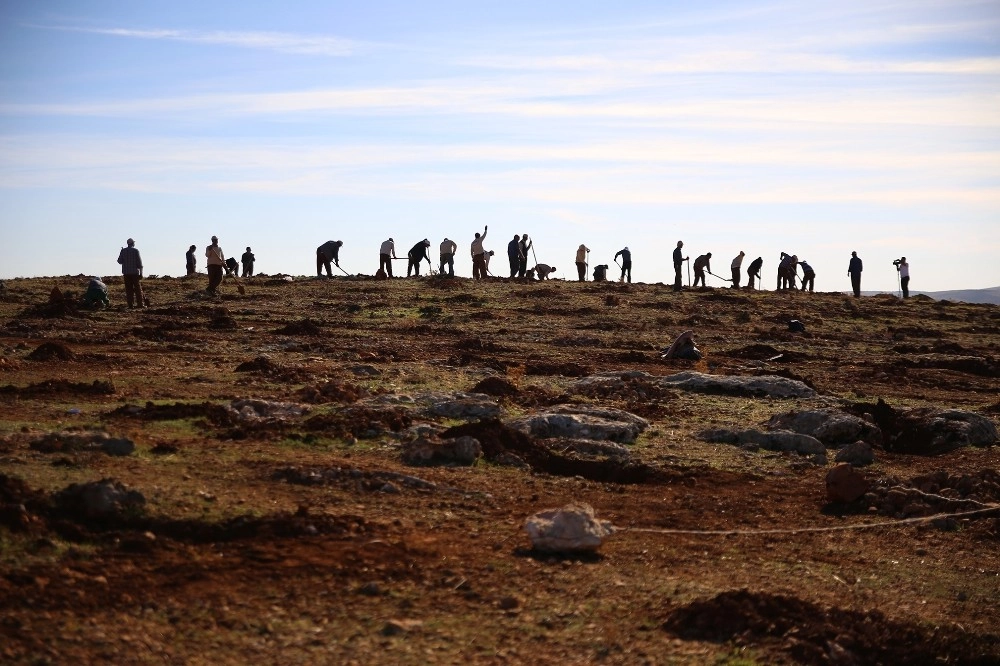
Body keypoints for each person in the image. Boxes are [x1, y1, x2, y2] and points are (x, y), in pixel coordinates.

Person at [117, 238, 145, 309]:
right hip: (135, 274)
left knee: (129, 290)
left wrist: (122, 253)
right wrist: (141, 273)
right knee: (138, 289)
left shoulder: (123, 251)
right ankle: (140, 304)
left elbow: (119, 261)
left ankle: (130, 305)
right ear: (133, 243)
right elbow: (139, 263)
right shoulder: (135, 251)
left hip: (126, 274)